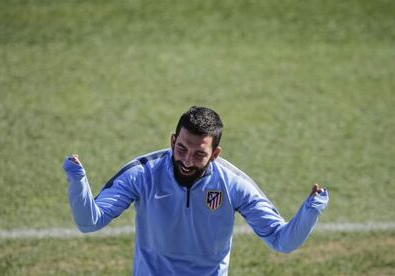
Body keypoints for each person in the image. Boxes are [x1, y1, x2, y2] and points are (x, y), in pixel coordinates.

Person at [62, 106, 329, 276]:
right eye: (181, 149)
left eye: (199, 154)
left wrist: (310, 211)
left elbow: (282, 240)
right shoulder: (143, 173)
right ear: (173, 140)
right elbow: (90, 222)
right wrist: (78, 181)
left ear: (215, 154)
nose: (187, 161)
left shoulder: (233, 184)